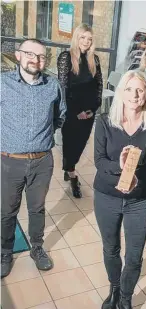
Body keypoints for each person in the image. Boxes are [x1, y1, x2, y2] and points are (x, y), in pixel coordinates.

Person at [93, 71, 146, 309]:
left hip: (138, 200)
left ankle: (125, 297)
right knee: (111, 248)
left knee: (134, 256)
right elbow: (100, 162)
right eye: (129, 89)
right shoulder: (104, 122)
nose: (134, 95)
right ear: (121, 92)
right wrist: (120, 166)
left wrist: (138, 178)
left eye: (140, 90)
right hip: (107, 196)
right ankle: (114, 288)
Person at [1, 39, 66, 278]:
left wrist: (42, 138)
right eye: (30, 54)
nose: (35, 60)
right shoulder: (3, 83)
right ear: (18, 55)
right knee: (7, 211)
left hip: (42, 161)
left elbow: (61, 116)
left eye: (41, 56)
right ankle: (4, 252)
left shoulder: (53, 85)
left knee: (37, 209)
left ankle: (37, 248)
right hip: (9, 161)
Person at [57, 23, 103, 198]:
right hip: (71, 112)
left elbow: (99, 86)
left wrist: (92, 109)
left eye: (89, 39)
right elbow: (63, 89)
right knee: (70, 144)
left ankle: (69, 168)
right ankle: (72, 175)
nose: (86, 41)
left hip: (89, 112)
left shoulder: (94, 59)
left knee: (80, 145)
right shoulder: (65, 57)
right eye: (83, 37)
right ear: (76, 38)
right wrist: (76, 111)